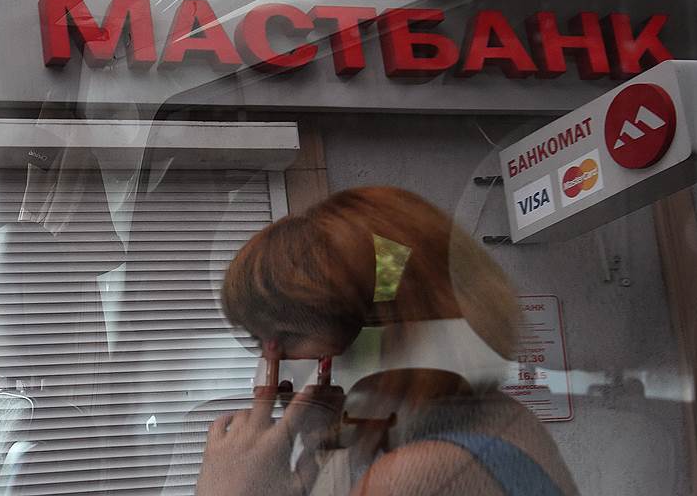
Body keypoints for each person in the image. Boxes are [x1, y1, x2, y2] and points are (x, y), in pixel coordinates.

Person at [195, 186, 579, 495]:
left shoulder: (411, 475)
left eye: (289, 336)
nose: (270, 375)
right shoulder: (501, 415)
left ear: (389, 332)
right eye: (259, 343)